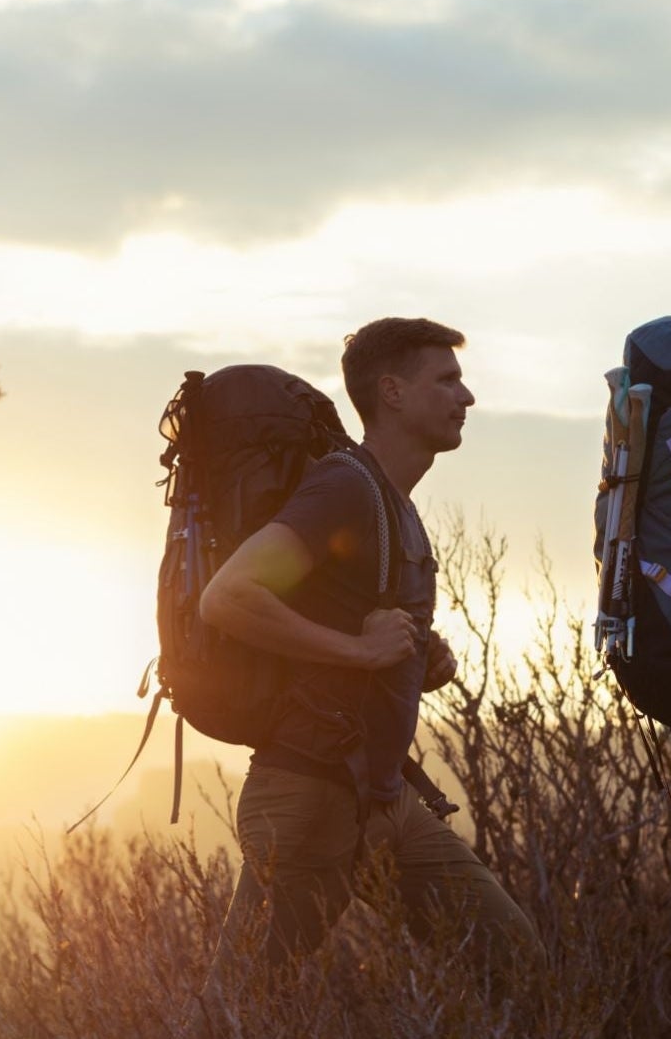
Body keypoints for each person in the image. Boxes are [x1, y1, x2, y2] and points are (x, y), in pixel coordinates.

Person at [200, 317, 538, 986]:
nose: (466, 396)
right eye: (447, 380)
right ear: (392, 392)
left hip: (382, 803)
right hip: (308, 799)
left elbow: (351, 618)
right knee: (239, 1008)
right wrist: (359, 651)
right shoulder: (345, 487)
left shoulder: (395, 504)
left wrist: (417, 659)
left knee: (516, 961)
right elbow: (229, 596)